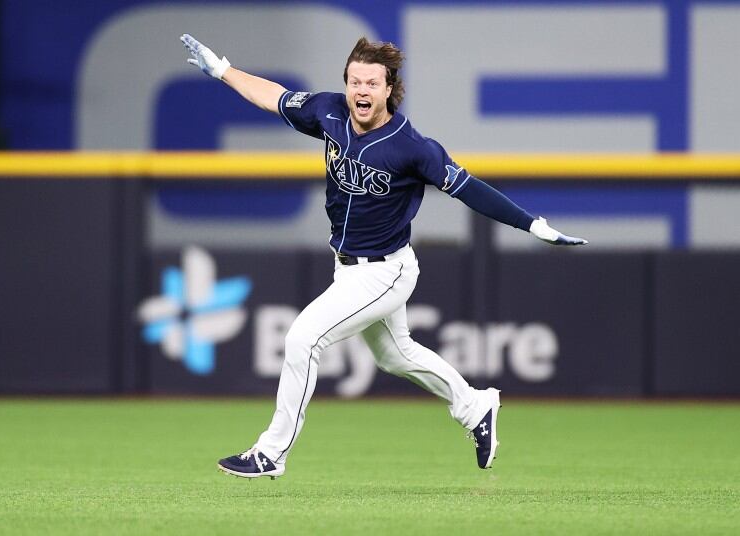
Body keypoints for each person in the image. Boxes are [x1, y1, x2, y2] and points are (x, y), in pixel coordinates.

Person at [180, 34, 587, 479]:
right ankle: (475, 406)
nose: (362, 91)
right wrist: (223, 71)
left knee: (303, 340)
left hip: (385, 272)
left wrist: (532, 224)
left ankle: (271, 453)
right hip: (347, 267)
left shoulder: (412, 147)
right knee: (396, 355)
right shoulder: (329, 111)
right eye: (355, 81)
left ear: (389, 89)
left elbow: (470, 189)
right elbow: (274, 97)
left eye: (372, 83)